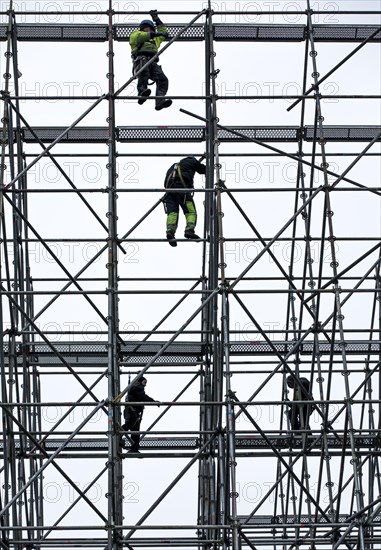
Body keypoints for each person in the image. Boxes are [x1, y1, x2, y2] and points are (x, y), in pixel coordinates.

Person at [129, 10, 172, 111]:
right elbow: (140, 37)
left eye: (149, 28)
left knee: (163, 79)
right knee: (144, 73)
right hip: (141, 60)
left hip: (152, 62)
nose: (148, 30)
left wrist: (156, 19)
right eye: (146, 28)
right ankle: (142, 92)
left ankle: (160, 100)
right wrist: (154, 34)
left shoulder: (155, 40)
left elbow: (164, 31)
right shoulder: (136, 34)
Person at [163, 156, 206, 247]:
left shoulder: (173, 166)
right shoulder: (191, 161)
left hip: (169, 192)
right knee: (190, 212)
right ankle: (189, 231)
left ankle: (170, 232)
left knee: (172, 213)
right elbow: (203, 170)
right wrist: (211, 165)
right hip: (182, 189)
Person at [121, 376, 158, 454]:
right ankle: (118, 435)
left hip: (133, 411)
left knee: (135, 430)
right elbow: (143, 397)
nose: (145, 385)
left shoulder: (134, 386)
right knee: (130, 426)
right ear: (140, 381)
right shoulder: (137, 386)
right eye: (144, 382)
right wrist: (153, 402)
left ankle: (134, 448)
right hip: (132, 410)